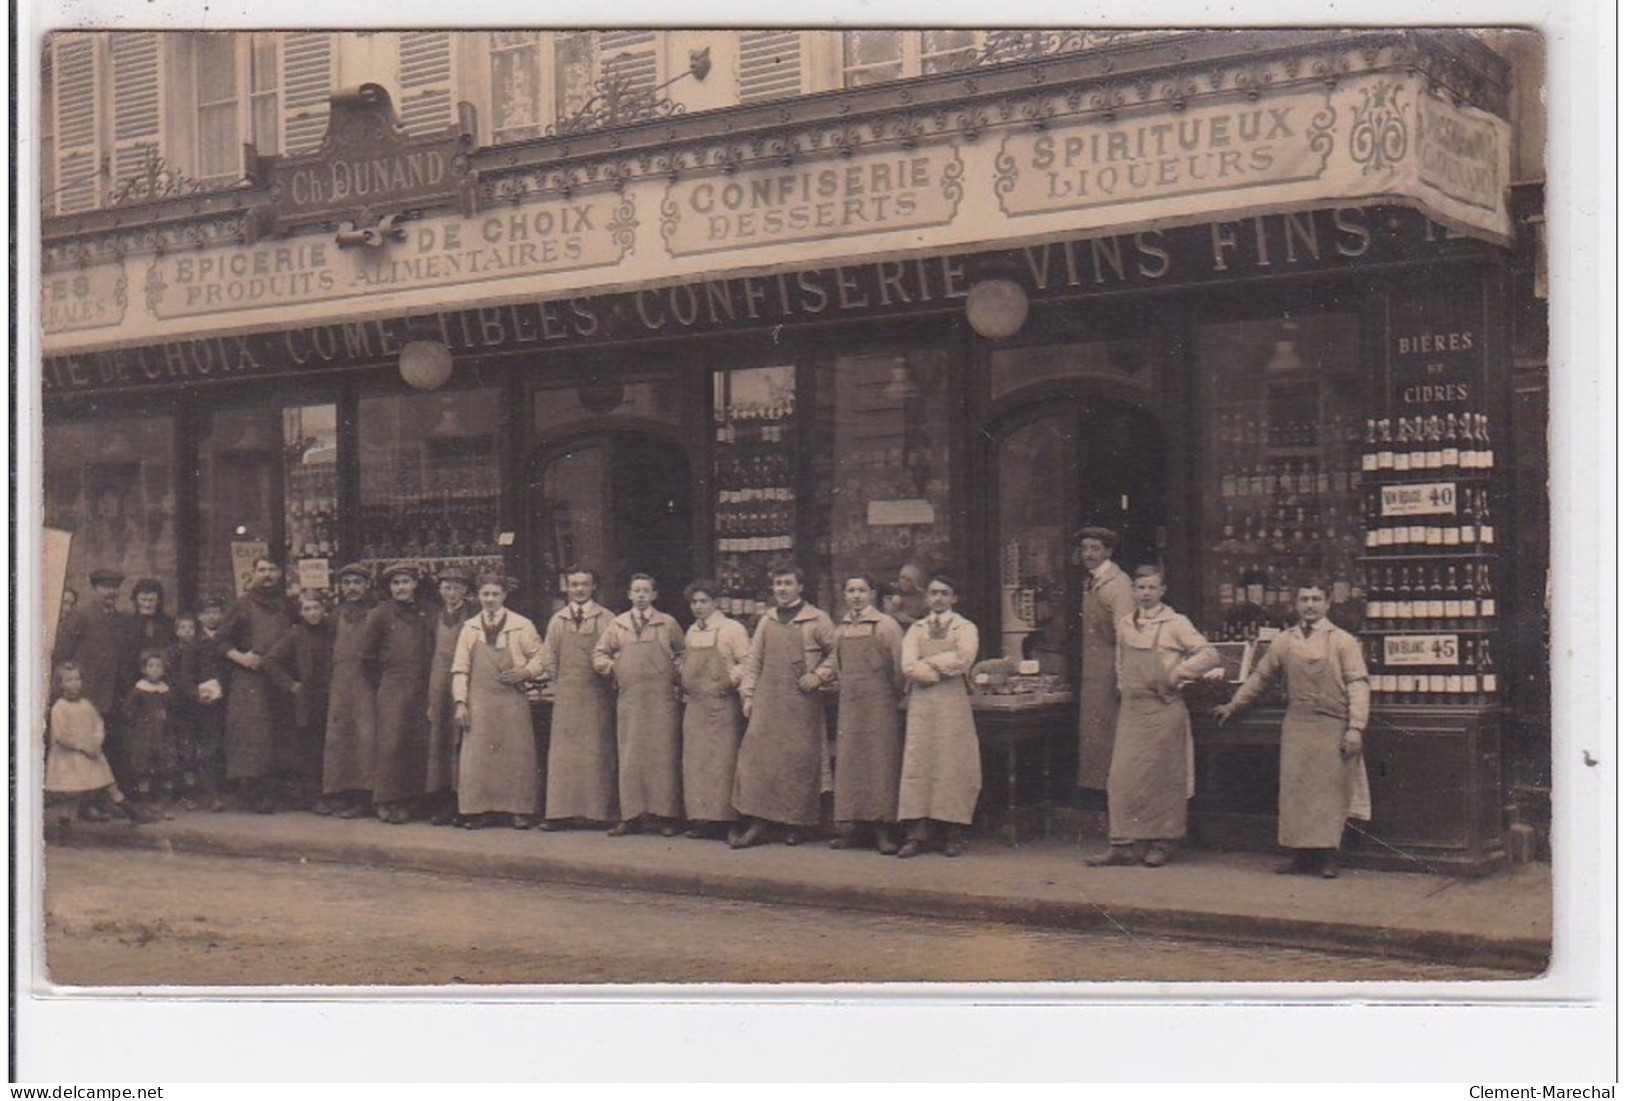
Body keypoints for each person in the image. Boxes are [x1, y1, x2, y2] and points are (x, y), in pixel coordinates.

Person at [1213, 583, 1372, 879]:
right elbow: (1261, 677)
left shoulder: (1343, 641)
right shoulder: (1285, 641)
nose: (1309, 605)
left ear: (1327, 604)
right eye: (1304, 599)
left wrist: (1356, 728)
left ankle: (1327, 857)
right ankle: (1299, 856)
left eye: (1316, 599)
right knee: (1296, 791)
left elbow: (1358, 684)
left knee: (1329, 793)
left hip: (1331, 723)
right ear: (1296, 604)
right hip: (1297, 723)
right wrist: (1233, 705)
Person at [1091, 566, 1221, 869]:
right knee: (1122, 777)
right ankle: (1122, 844)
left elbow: (1209, 654)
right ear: (1134, 591)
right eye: (1140, 588)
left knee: (1164, 778)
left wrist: (1178, 674)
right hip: (1133, 710)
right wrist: (1124, 686)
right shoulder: (1126, 624)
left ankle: (1162, 843)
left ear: (1162, 590)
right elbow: (1121, 660)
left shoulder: (1176, 623)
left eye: (1151, 588)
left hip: (1164, 709)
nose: (1145, 593)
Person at [730, 564, 837, 848]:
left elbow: (838, 654)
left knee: (798, 763)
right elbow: (754, 661)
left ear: (800, 587)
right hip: (768, 700)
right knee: (759, 761)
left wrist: (818, 675)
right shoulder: (767, 620)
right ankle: (759, 822)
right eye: (778, 584)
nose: (782, 589)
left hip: (801, 704)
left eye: (788, 583)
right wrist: (748, 696)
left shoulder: (817, 619)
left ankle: (797, 825)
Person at [451, 574, 548, 830]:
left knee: (517, 755)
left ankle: (519, 810)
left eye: (495, 594)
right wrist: (461, 702)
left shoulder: (521, 625)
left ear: (504, 595)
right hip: (480, 701)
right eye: (485, 594)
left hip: (511, 699)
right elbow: (460, 668)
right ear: (478, 597)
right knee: (478, 757)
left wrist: (525, 672)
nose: (490, 599)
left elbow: (542, 657)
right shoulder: (470, 628)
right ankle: (479, 810)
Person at [593, 574, 686, 837]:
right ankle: (630, 816)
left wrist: (675, 675)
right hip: (630, 698)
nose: (642, 595)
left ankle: (665, 815)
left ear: (654, 595)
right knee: (631, 756)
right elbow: (599, 654)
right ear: (629, 595)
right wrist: (616, 668)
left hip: (660, 699)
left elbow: (682, 654)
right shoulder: (617, 624)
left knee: (662, 757)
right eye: (637, 591)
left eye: (647, 591)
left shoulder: (667, 623)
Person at [896, 573, 982, 858]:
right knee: (920, 761)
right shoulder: (916, 629)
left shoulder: (965, 628)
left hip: (952, 703)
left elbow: (962, 659)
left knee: (951, 763)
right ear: (927, 597)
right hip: (922, 703)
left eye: (945, 593)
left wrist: (928, 664)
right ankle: (917, 833)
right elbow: (907, 665)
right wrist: (928, 672)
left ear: (954, 598)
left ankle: (952, 832)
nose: (939, 598)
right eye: (934, 593)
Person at [820, 573, 906, 855]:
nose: (856, 596)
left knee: (880, 763)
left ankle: (884, 828)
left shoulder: (886, 626)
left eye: (862, 590)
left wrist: (891, 696)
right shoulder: (841, 629)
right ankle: (855, 827)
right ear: (844, 595)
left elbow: (899, 668)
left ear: (872, 594)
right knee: (852, 763)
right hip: (850, 705)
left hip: (880, 705)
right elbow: (837, 663)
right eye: (851, 590)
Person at [535, 567, 618, 831]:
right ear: (566, 587)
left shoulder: (607, 618)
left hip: (597, 696)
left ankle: (600, 813)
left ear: (593, 587)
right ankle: (561, 813)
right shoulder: (558, 620)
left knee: (597, 753)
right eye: (574, 584)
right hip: (567, 695)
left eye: (584, 584)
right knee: (564, 755)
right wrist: (559, 682)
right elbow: (548, 656)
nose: (579, 589)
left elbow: (616, 654)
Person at [52, 567, 136, 808]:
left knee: (108, 746)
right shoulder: (80, 615)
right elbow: (63, 654)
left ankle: (103, 802)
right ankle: (86, 805)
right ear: (94, 588)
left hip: (113, 693)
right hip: (87, 693)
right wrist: (68, 688)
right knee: (86, 750)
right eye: (106, 587)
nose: (111, 592)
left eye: (115, 588)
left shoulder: (119, 618)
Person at [359, 562, 436, 824]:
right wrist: (383, 683)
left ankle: (411, 801)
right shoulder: (379, 614)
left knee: (416, 743)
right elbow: (366, 657)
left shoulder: (428, 612)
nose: (401, 588)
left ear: (415, 584)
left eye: (405, 582)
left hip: (422, 686)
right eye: (395, 583)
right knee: (391, 744)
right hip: (392, 686)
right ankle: (386, 800)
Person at [218, 557, 293, 814]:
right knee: (252, 735)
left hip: (278, 677)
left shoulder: (285, 605)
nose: (268, 574)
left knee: (277, 732)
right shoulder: (241, 605)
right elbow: (221, 642)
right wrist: (241, 657)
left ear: (280, 573)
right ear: (252, 575)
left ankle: (274, 791)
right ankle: (252, 793)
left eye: (272, 569)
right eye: (262, 570)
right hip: (250, 678)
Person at [44, 662, 153, 838]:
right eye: (69, 680)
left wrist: (96, 742)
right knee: (73, 793)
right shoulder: (59, 708)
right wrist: (83, 746)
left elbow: (98, 723)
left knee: (110, 786)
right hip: (71, 756)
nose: (74, 683)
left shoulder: (86, 705)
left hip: (92, 752)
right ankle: (64, 829)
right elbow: (60, 736)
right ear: (60, 683)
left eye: (77, 679)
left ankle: (135, 814)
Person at [677, 580, 749, 840]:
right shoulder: (691, 632)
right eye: (694, 602)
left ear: (716, 602)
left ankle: (729, 821)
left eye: (703, 601)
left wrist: (731, 680)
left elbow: (747, 662)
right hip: (696, 706)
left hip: (722, 706)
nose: (698, 607)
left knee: (724, 763)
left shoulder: (732, 629)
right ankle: (704, 819)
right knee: (697, 764)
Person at [1074, 526, 1136, 797]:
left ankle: (1111, 794)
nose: (1089, 554)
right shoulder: (1090, 582)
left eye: (1095, 548)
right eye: (1085, 548)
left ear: (1108, 551)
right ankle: (1097, 791)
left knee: (1109, 733)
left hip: (1111, 672)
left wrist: (1122, 676)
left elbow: (1125, 635)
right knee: (1096, 734)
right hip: (1093, 671)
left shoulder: (1118, 585)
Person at [263, 591, 336, 812]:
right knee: (311, 750)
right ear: (300, 612)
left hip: (331, 698)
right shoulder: (295, 635)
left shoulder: (332, 632)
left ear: (324, 609)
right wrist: (291, 685)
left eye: (316, 608)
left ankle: (332, 795)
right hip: (309, 701)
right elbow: (270, 661)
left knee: (330, 748)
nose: (312, 613)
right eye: (307, 609)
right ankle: (313, 798)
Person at [322, 563, 379, 819]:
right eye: (347, 583)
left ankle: (365, 797)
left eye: (357, 582)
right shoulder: (336, 615)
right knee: (340, 739)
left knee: (365, 740)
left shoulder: (377, 612)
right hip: (340, 683)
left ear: (367, 585)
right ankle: (341, 794)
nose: (352, 588)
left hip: (367, 682)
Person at [424, 566, 475, 826]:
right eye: (446, 588)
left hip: (465, 682)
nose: (451, 593)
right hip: (438, 683)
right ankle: (442, 800)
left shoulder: (473, 615)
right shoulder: (432, 617)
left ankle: (463, 801)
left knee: (463, 741)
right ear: (439, 590)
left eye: (457, 588)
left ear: (465, 591)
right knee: (440, 742)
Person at [178, 596, 229, 812]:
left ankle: (227, 792)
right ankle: (211, 795)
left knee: (224, 746)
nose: (212, 616)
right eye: (207, 612)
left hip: (227, 703)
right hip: (204, 707)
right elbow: (186, 679)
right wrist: (198, 696)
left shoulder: (227, 640)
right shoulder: (194, 645)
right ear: (200, 617)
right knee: (208, 749)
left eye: (216, 612)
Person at [118, 649, 175, 815]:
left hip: (163, 735)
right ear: (144, 669)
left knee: (163, 769)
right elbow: (127, 713)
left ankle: (161, 804)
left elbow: (172, 711)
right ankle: (144, 803)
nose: (155, 669)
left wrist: (166, 716)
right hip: (144, 737)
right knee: (144, 770)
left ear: (164, 669)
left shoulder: (166, 691)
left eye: (159, 666)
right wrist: (144, 719)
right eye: (151, 666)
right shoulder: (139, 691)